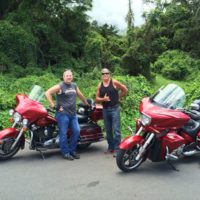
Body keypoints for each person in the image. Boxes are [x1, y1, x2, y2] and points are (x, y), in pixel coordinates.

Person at [45, 69, 89, 160]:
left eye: (70, 75)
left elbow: (80, 95)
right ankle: (65, 153)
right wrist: (53, 105)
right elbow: (47, 93)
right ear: (63, 77)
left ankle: (72, 150)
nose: (69, 77)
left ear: (72, 76)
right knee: (63, 134)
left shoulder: (74, 85)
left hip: (73, 114)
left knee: (76, 131)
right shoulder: (60, 86)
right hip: (62, 114)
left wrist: (86, 103)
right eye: (67, 75)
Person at [96, 68, 128, 156]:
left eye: (107, 73)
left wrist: (119, 97)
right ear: (101, 75)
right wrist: (103, 99)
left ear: (109, 74)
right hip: (105, 110)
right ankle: (111, 147)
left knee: (116, 130)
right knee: (108, 130)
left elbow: (125, 90)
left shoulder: (114, 82)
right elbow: (97, 99)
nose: (105, 75)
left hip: (115, 109)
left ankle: (118, 149)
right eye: (103, 74)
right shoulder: (100, 85)